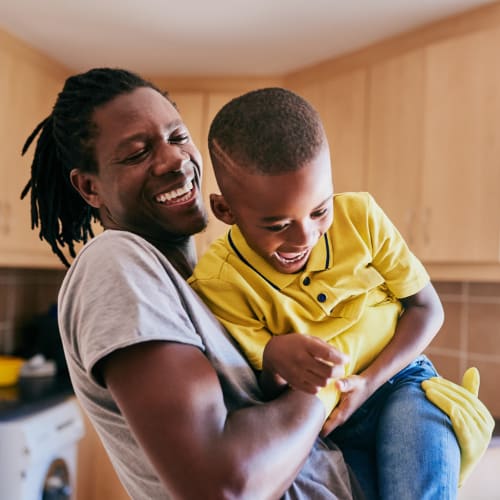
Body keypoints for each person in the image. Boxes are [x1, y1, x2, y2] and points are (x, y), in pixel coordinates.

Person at [20, 67, 364, 500]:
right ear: (90, 188)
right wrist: (325, 382)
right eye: (136, 153)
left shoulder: (204, 281)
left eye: (178, 137)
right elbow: (223, 487)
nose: (173, 160)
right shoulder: (117, 264)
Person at [188, 87, 495, 499]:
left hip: (401, 382)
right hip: (328, 425)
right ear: (225, 211)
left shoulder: (362, 216)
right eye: (277, 225)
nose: (306, 236)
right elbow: (257, 389)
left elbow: (426, 308)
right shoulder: (219, 280)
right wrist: (275, 355)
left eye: (319, 210)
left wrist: (367, 383)